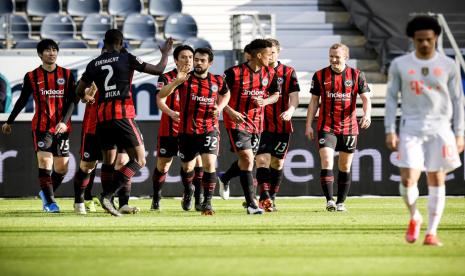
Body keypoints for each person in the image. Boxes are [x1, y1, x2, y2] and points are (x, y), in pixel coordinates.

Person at [385, 16, 464, 246]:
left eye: (429, 39)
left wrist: (460, 133)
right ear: (413, 39)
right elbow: (391, 100)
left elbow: (459, 101)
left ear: (436, 38)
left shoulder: (449, 64)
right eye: (420, 40)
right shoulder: (400, 64)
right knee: (408, 179)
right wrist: (390, 129)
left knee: (437, 177)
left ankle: (431, 232)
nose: (425, 44)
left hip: (441, 129)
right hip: (411, 127)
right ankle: (415, 216)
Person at [76, 29, 172, 216]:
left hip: (102, 119)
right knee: (139, 159)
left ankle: (109, 202)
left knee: (109, 162)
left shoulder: (93, 64)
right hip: (122, 115)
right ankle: (107, 196)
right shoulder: (127, 58)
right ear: (121, 42)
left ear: (104, 42)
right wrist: (166, 54)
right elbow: (159, 70)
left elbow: (79, 91)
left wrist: (87, 97)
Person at [2, 39, 76, 213]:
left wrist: (64, 122)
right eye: (48, 50)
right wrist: (10, 120)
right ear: (40, 54)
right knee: (45, 161)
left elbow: (72, 101)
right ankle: (50, 203)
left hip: (62, 128)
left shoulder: (66, 75)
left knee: (62, 168)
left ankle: (45, 194)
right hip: (41, 127)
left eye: (54, 50)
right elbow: (22, 100)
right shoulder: (32, 76)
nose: (51, 53)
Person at [159, 47, 230, 215]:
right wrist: (176, 81)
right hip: (187, 131)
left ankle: (207, 202)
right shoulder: (185, 79)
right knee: (187, 167)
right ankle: (188, 189)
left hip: (209, 129)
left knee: (209, 164)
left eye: (201, 60)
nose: (197, 62)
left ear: (210, 63)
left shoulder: (218, 81)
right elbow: (161, 95)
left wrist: (219, 107)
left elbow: (226, 94)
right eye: (195, 59)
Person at [305, 43, 371, 212]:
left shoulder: (357, 75)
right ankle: (329, 200)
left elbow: (366, 99)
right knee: (326, 160)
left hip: (349, 127)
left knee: (344, 166)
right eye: (331, 56)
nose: (334, 60)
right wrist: (308, 125)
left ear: (346, 58)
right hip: (326, 126)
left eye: (337, 57)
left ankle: (341, 202)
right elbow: (314, 102)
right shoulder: (320, 75)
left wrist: (367, 114)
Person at [220, 39, 280, 215]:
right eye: (269, 55)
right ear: (259, 55)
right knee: (247, 159)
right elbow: (219, 96)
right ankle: (252, 205)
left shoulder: (270, 73)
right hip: (236, 122)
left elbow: (276, 95)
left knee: (247, 161)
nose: (271, 58)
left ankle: (225, 177)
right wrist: (230, 111)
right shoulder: (233, 73)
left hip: (257, 123)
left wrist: (265, 101)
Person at [73, 82, 139, 215]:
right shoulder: (92, 73)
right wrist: (89, 94)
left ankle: (121, 203)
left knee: (122, 161)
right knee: (87, 166)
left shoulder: (122, 70)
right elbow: (81, 98)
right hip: (93, 126)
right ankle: (79, 202)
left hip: (119, 122)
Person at [151, 45, 203, 212]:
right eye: (183, 57)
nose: (188, 60)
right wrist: (171, 113)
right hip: (169, 129)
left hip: (191, 131)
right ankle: (156, 198)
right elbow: (160, 100)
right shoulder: (166, 77)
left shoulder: (199, 78)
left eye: (190, 57)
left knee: (189, 167)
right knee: (163, 165)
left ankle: (189, 192)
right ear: (175, 60)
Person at [255, 38, 300, 212]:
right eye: (267, 52)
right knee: (262, 160)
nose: (270, 55)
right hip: (260, 124)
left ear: (278, 52)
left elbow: (294, 97)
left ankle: (271, 197)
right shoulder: (257, 71)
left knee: (277, 163)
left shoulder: (288, 72)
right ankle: (264, 197)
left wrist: (290, 111)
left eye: (273, 52)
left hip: (282, 125)